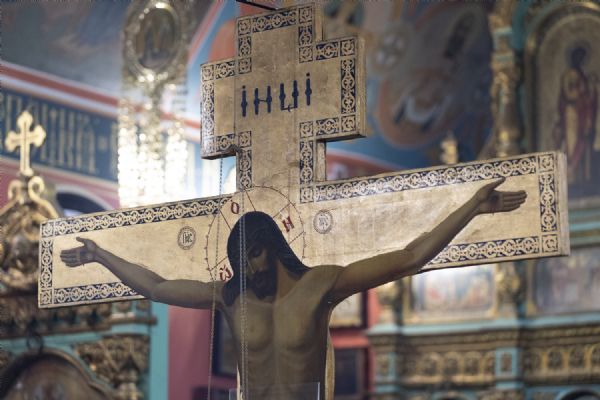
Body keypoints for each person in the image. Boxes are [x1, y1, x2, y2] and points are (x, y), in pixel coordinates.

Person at [60, 178, 526, 400]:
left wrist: (472, 208)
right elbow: (158, 286)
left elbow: (410, 257)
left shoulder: (321, 285)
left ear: (275, 247)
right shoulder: (232, 297)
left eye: (255, 254)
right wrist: (101, 256)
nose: (250, 268)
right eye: (242, 260)